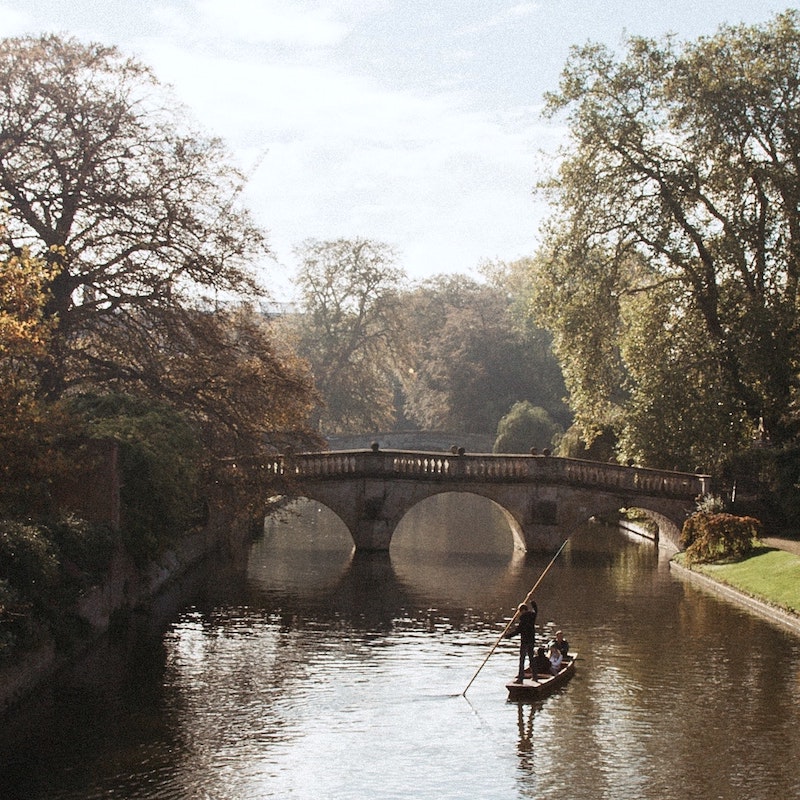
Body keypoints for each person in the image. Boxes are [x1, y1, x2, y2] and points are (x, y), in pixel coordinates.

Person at [505, 601, 538, 683]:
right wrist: (532, 603)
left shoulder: (523, 620)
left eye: (519, 611)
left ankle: (520, 678)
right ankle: (535, 677)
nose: (519, 613)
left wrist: (507, 636)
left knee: (522, 659)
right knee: (531, 658)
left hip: (524, 642)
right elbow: (536, 610)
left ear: (522, 610)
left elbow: (517, 631)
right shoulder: (532, 616)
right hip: (531, 641)